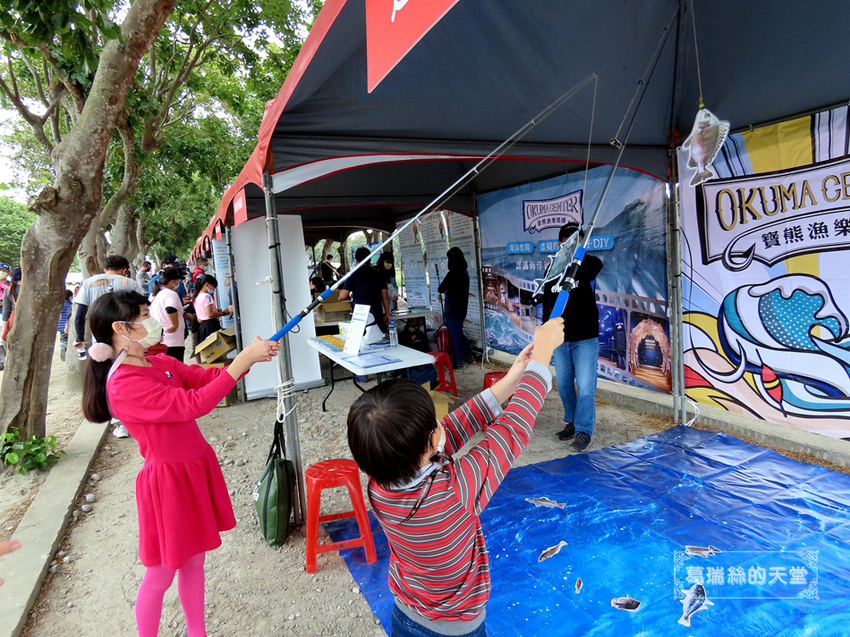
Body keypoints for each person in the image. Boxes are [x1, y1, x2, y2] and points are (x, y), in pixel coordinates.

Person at [347, 318, 564, 636]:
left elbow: (458, 426)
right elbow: (513, 426)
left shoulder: (379, 482)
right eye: (437, 423)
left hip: (406, 615)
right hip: (456, 630)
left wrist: (514, 376)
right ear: (432, 443)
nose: (443, 423)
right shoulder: (456, 491)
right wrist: (543, 355)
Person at [81, 289, 279, 637]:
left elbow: (201, 380)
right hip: (168, 482)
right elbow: (192, 405)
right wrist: (242, 361)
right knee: (161, 572)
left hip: (191, 469)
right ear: (120, 328)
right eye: (143, 315)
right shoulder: (124, 384)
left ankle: (196, 633)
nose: (152, 322)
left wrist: (244, 362)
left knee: (195, 560)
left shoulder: (156, 362)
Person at [541, 222, 603, 453]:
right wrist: (545, 332)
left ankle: (584, 431)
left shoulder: (588, 264)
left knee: (586, 386)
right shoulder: (552, 269)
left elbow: (592, 267)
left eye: (577, 240)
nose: (573, 243)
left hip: (585, 337)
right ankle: (572, 422)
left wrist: (576, 253)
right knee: (565, 383)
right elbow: (548, 304)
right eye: (568, 240)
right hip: (560, 339)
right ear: (559, 243)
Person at [73, 255, 146, 438]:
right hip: (127, 338)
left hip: (101, 339)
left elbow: (79, 314)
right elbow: (142, 310)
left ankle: (118, 421)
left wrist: (80, 338)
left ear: (106, 269)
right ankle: (135, 414)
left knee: (108, 378)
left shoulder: (89, 283)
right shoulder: (128, 282)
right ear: (124, 270)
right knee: (130, 375)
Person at [438, 247, 475, 369]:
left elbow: (441, 288)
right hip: (462, 308)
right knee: (459, 333)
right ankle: (469, 356)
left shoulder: (452, 274)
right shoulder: (465, 273)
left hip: (452, 308)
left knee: (455, 335)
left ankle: (459, 361)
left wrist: (447, 290)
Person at [339, 247, 390, 333]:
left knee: (361, 340)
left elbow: (343, 296)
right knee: (378, 338)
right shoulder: (378, 274)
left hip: (360, 314)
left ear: (356, 260)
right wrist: (387, 313)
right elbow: (385, 296)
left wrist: (340, 296)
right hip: (376, 312)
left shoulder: (352, 274)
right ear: (369, 259)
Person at [150, 268, 186, 362]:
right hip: (173, 341)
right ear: (172, 281)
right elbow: (170, 308)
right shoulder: (170, 294)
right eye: (178, 281)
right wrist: (174, 324)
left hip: (162, 340)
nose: (179, 283)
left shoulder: (155, 295)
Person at [192, 275, 232, 343]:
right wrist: (224, 312)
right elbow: (210, 314)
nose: (213, 289)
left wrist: (216, 311)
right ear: (207, 284)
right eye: (213, 287)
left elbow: (200, 318)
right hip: (211, 326)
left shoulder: (196, 297)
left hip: (203, 327)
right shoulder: (207, 296)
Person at [0, 267, 21, 370]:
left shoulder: (8, 291)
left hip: (14, 321)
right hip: (31, 321)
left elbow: (6, 310)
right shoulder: (30, 289)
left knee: (9, 343)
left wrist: (5, 328)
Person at [58, 289, 73, 361]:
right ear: (70, 297)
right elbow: (69, 315)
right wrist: (68, 325)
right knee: (67, 339)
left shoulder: (60, 304)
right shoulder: (70, 305)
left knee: (62, 338)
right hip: (67, 325)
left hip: (60, 325)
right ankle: (65, 351)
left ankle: (62, 348)